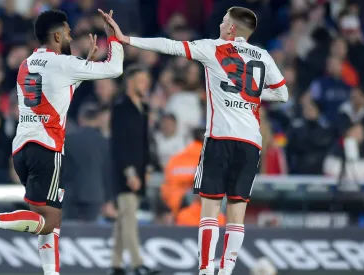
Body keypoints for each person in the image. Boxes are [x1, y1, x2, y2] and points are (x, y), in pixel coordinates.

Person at [103, 6, 288, 275]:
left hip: (220, 137)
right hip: (251, 142)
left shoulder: (214, 48)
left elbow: (170, 46)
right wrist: (248, 96)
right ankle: (226, 271)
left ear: (232, 28)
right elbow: (282, 94)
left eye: (224, 20)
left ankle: (205, 270)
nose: (221, 23)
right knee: (237, 212)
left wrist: (127, 39)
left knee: (210, 208)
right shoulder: (263, 55)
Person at [0, 8, 123, 275]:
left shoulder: (26, 64)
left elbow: (58, 94)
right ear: (57, 34)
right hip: (47, 149)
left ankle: (51, 273)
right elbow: (116, 68)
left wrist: (83, 67)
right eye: (68, 31)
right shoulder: (63, 63)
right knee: (47, 221)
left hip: (23, 148)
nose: (71, 35)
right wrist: (115, 38)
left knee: (50, 217)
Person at [109, 65, 159, 275]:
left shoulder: (144, 108)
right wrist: (130, 173)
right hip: (125, 172)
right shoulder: (121, 108)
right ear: (130, 83)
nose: (145, 85)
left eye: (146, 81)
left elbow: (145, 142)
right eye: (141, 80)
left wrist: (147, 166)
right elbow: (120, 144)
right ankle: (137, 264)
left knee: (124, 219)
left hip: (140, 171)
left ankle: (116, 265)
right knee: (129, 219)